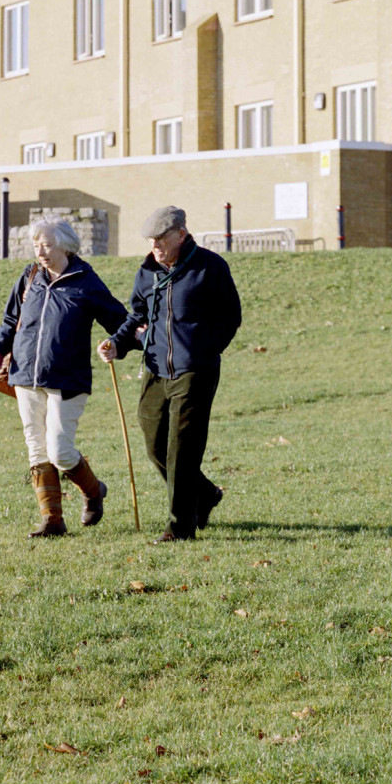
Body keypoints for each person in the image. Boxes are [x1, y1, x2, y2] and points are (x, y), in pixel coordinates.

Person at [98, 205, 241, 542]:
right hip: (155, 369)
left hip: (195, 370)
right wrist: (117, 344)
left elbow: (229, 317)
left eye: (161, 239)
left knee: (183, 450)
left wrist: (205, 350)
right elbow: (137, 315)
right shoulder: (147, 272)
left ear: (181, 234)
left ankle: (180, 527)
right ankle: (205, 494)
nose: (155, 247)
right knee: (155, 445)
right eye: (151, 241)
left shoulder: (210, 267)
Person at [0, 216, 129, 538]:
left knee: (60, 451)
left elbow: (119, 319)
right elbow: (11, 318)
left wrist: (116, 344)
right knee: (36, 449)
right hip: (25, 376)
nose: (41, 251)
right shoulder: (29, 277)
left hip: (68, 380)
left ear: (65, 245)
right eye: (36, 245)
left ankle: (94, 491)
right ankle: (52, 519)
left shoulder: (86, 282)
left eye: (47, 244)